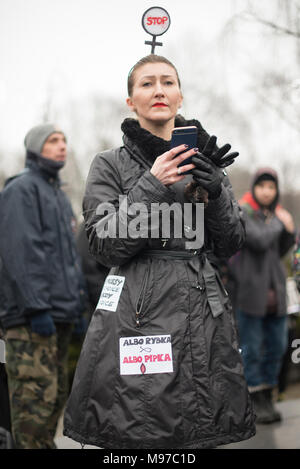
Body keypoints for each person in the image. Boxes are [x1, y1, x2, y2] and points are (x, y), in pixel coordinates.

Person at [63, 54, 255, 449]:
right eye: (147, 83)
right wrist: (151, 185)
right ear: (131, 101)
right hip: (139, 311)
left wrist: (215, 191)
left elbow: (232, 242)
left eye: (167, 82)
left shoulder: (205, 159)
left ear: (180, 96)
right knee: (143, 426)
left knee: (201, 426)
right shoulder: (109, 164)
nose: (159, 91)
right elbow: (103, 244)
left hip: (204, 311)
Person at [0, 124, 85, 449]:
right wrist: (35, 307)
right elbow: (21, 255)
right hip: (31, 319)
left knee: (53, 402)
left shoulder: (58, 195)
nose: (62, 146)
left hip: (59, 316)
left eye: (64, 140)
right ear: (35, 148)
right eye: (53, 141)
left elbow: (67, 259)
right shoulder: (21, 190)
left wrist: (75, 308)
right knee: (33, 407)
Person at [232, 167, 295, 423]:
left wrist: (289, 232)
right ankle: (256, 400)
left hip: (276, 297)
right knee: (252, 350)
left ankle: (268, 394)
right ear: (254, 188)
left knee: (277, 347)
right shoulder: (244, 212)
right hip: (250, 296)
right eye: (262, 186)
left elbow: (280, 248)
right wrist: (282, 223)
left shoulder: (273, 217)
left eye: (271, 187)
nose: (267, 192)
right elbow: (257, 240)